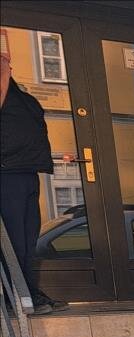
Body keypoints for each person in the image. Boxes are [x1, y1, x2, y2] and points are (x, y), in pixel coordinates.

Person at [1, 48, 58, 314]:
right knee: (14, 240)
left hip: (27, 172)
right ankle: (17, 296)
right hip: (7, 174)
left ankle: (26, 293)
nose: (7, 69)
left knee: (27, 238)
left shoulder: (25, 100)